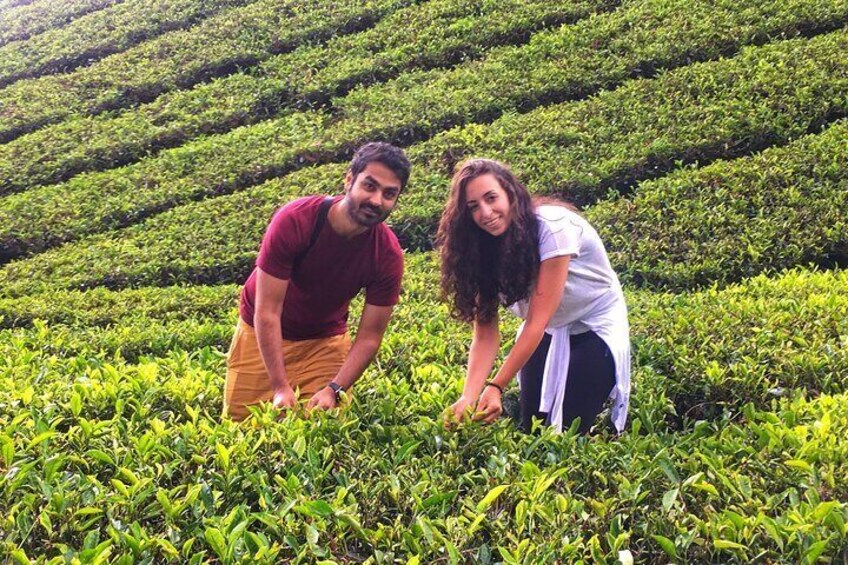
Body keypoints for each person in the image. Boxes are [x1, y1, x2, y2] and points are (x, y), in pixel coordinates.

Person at [438, 159, 630, 434]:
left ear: (511, 193)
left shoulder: (553, 229)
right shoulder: (480, 249)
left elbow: (536, 322)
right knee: (533, 427)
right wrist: (468, 397)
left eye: (491, 198)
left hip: (593, 324)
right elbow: (485, 334)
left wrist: (496, 386)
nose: (486, 212)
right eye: (473, 207)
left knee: (569, 431)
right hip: (549, 329)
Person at [223, 142, 411, 421]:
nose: (376, 200)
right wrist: (279, 386)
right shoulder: (296, 219)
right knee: (241, 425)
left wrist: (335, 389)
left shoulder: (387, 255)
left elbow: (370, 337)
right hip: (261, 333)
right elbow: (268, 311)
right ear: (349, 180)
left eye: (389, 194)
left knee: (324, 426)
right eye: (369, 186)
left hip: (324, 339)